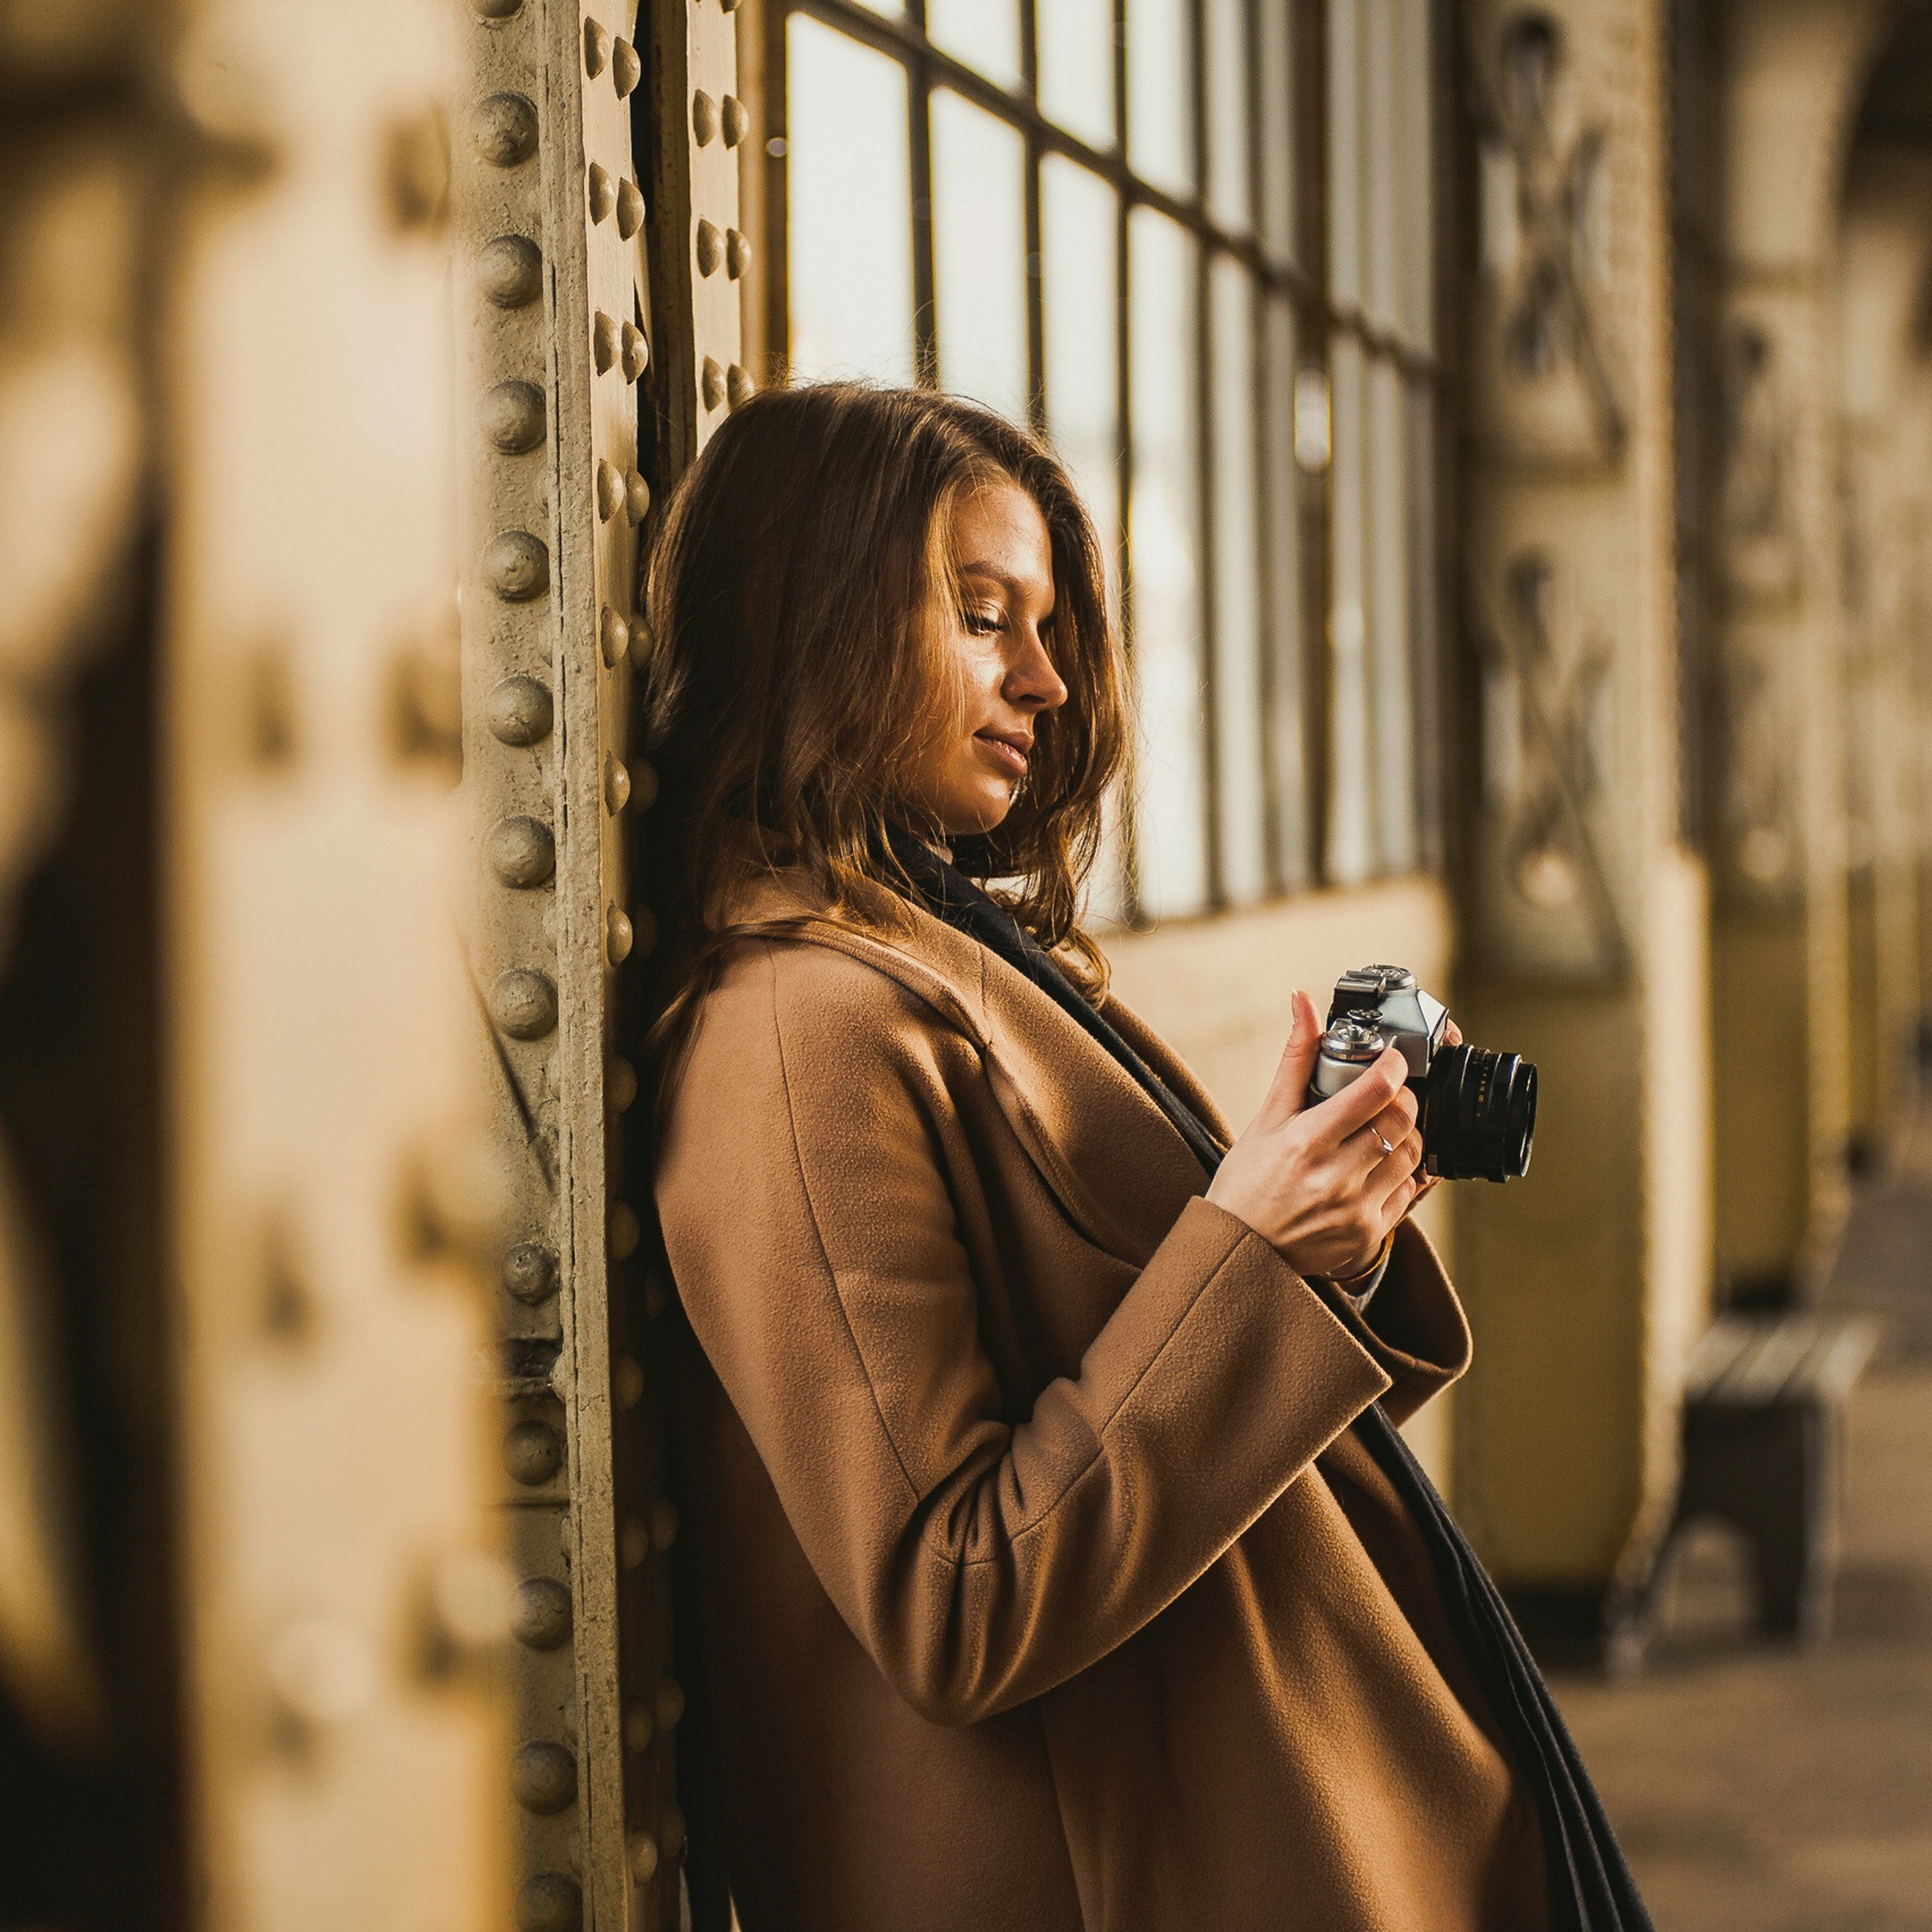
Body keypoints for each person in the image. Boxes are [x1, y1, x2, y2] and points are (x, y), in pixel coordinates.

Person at [638, 383, 1646, 1932]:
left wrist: (1322, 1224)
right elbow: (951, 1593)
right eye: (981, 616)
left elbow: (1113, 1352)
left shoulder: (938, 950)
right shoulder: (804, 1029)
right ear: (812, 622)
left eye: (1045, 623)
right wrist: (1251, 1249)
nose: (1043, 677)